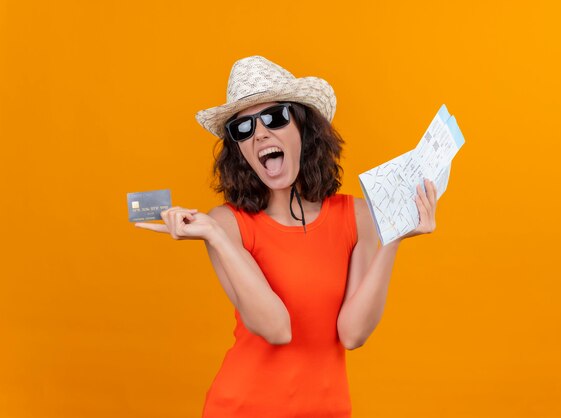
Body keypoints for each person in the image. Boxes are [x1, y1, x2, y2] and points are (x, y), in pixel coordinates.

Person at [135, 55, 438, 418]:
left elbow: (353, 334)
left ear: (304, 130)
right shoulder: (227, 225)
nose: (260, 133)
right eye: (243, 129)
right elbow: (276, 328)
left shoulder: (358, 216)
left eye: (274, 118)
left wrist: (394, 237)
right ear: (239, 150)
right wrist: (215, 236)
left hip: (327, 409)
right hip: (242, 408)